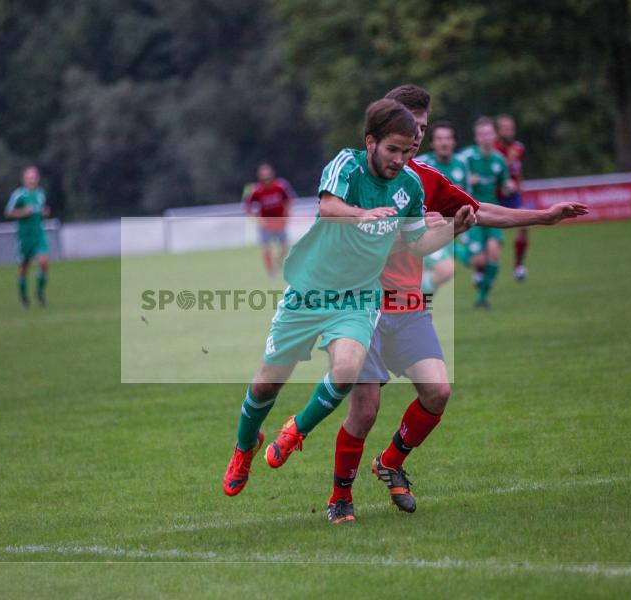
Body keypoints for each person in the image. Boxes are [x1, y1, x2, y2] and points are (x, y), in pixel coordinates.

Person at [325, 86, 588, 524]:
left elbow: (477, 210)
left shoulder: (423, 178)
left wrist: (541, 216)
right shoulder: (355, 170)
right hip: (360, 306)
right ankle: (340, 498)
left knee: (437, 391)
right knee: (365, 408)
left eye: (423, 129)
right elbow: (331, 214)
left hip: (408, 306)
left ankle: (390, 462)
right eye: (409, 128)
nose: (416, 138)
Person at [221, 98, 477, 500]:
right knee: (265, 384)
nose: (399, 159)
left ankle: (294, 431)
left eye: (407, 151)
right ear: (370, 141)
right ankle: (243, 448)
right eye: (392, 149)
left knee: (346, 369)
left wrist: (454, 230)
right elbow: (328, 205)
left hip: (358, 296)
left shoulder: (409, 186)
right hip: (309, 289)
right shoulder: (347, 164)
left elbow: (417, 243)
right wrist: (362, 214)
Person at [456, 117, 514, 308]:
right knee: (478, 260)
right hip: (472, 213)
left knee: (494, 254)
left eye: (489, 133)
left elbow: (504, 186)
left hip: (493, 213)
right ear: (476, 137)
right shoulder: (466, 158)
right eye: (481, 134)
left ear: (495, 135)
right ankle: (452, 248)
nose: (485, 137)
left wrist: (508, 186)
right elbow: (452, 181)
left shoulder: (499, 160)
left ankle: (482, 299)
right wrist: (465, 183)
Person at [416, 121, 469, 295]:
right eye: (439, 139)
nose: (444, 143)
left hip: (449, 231)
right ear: (432, 143)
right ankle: (406, 297)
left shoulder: (462, 165)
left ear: (454, 142)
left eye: (447, 138)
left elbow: (467, 201)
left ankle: (417, 308)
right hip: (426, 230)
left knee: (436, 279)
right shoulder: (421, 165)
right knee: (446, 270)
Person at [4, 165, 51, 307]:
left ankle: (39, 291)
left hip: (39, 235)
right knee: (24, 268)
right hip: (24, 237)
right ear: (24, 179)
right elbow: (8, 212)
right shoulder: (19, 195)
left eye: (34, 177)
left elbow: (41, 211)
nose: (32, 180)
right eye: (29, 177)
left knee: (43, 262)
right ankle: (24, 297)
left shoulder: (41, 193)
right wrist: (23, 212)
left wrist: (44, 213)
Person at [243, 162, 295, 276]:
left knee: (285, 246)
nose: (267, 180)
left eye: (268, 177)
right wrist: (258, 220)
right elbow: (247, 207)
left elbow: (289, 201)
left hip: (279, 222)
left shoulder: (281, 186)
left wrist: (286, 215)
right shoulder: (256, 190)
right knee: (266, 249)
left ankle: (278, 260)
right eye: (264, 177)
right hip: (265, 223)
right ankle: (271, 272)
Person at [495, 114, 530, 281]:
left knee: (524, 225)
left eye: (511, 128)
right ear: (498, 131)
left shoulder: (519, 148)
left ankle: (518, 265)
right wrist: (508, 159)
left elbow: (518, 171)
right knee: (493, 238)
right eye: (505, 129)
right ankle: (481, 269)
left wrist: (519, 187)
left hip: (513, 196)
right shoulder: (494, 150)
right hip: (496, 196)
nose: (509, 132)